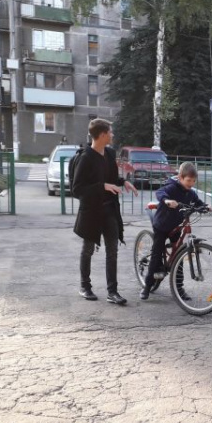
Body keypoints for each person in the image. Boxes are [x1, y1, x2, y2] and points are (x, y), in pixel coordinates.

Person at [72, 118, 138, 304]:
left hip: (109, 210)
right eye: (110, 132)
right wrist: (103, 186)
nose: (112, 135)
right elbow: (77, 189)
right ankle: (85, 286)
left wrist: (123, 182)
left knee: (112, 251)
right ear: (102, 135)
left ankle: (112, 292)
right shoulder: (85, 158)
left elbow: (112, 178)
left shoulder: (109, 153)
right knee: (88, 250)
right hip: (92, 212)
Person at [141, 162, 209, 301]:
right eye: (188, 180)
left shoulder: (190, 193)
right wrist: (167, 200)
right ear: (180, 177)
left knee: (179, 258)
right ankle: (147, 287)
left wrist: (205, 207)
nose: (191, 183)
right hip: (162, 225)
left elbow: (197, 202)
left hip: (176, 227)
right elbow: (160, 192)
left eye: (193, 181)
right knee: (156, 255)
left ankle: (179, 289)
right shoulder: (172, 187)